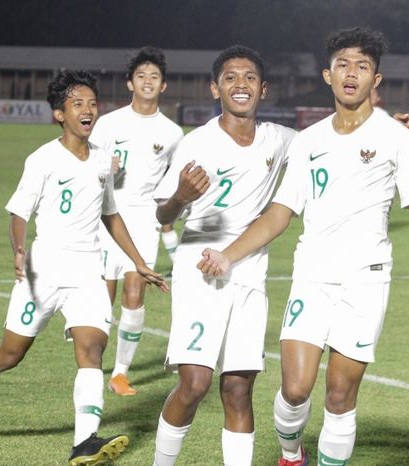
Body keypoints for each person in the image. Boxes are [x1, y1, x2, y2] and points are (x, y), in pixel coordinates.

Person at [197, 27, 409, 465]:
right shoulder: (308, 141)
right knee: (294, 389)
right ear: (328, 75)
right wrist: (228, 254)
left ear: (375, 80)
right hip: (312, 277)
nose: (352, 73)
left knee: (341, 395)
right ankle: (291, 453)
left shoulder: (397, 138)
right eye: (343, 65)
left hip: (366, 282)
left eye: (363, 67)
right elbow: (279, 213)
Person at [0, 70, 168, 465]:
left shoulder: (101, 161)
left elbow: (111, 213)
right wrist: (19, 249)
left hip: (86, 272)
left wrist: (139, 262)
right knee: (10, 354)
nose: (88, 109)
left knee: (92, 348)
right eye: (78, 104)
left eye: (92, 102)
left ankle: (84, 442)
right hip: (43, 271)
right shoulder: (42, 159)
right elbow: (19, 213)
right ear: (60, 114)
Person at [149, 44, 297, 466]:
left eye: (249, 77)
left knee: (237, 388)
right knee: (194, 384)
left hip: (250, 271)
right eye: (230, 77)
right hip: (200, 267)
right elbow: (163, 212)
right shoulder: (197, 142)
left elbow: (330, 142)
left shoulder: (279, 139)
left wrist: (384, 125)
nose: (240, 84)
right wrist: (179, 196)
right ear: (216, 88)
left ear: (263, 89)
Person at [90, 45, 184, 396]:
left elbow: (174, 181)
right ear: (130, 83)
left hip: (144, 220)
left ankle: (121, 373)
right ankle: (90, 364)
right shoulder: (109, 123)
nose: (147, 81)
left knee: (134, 292)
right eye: (141, 76)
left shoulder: (173, 133)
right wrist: (105, 170)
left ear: (163, 86)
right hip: (106, 216)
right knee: (103, 297)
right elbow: (86, 165)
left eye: (154, 77)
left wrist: (170, 213)